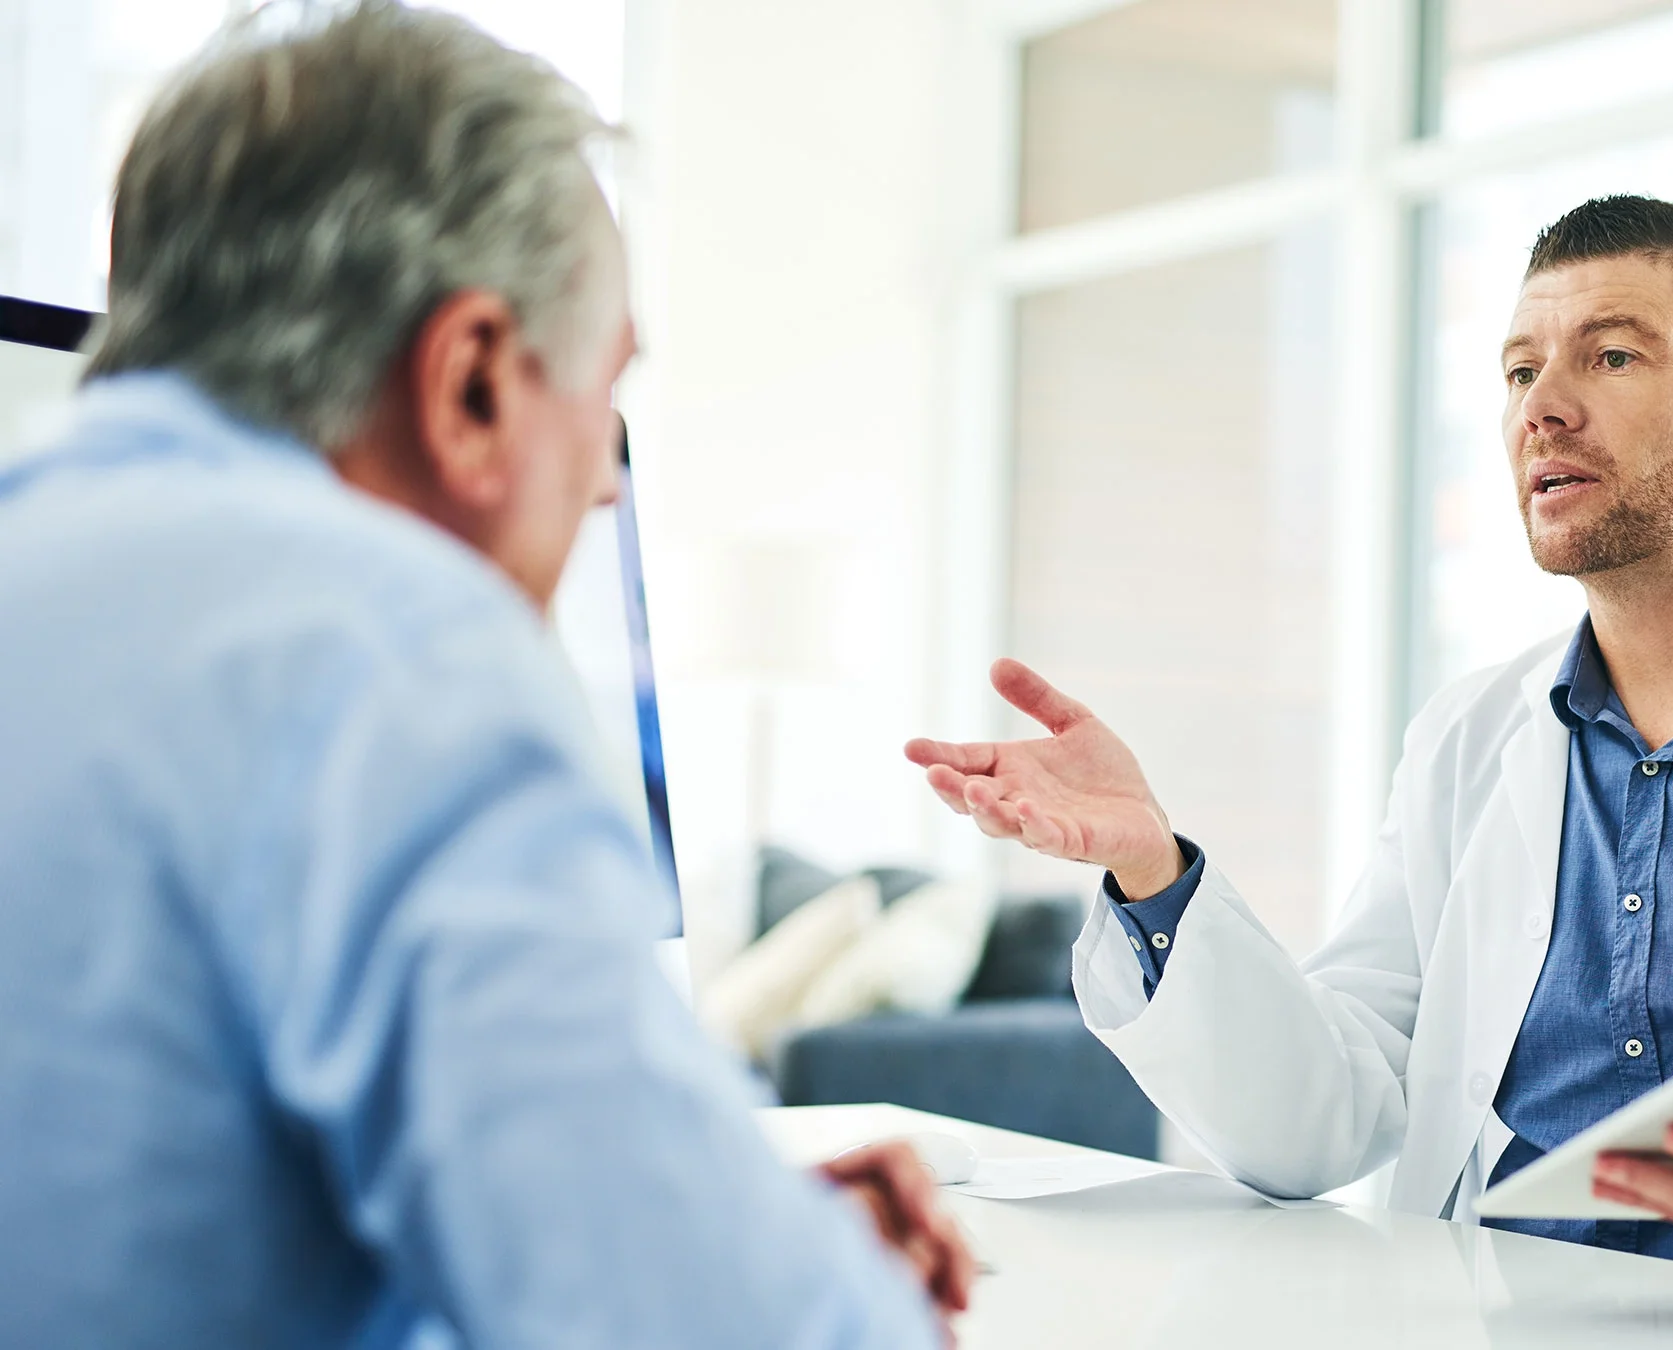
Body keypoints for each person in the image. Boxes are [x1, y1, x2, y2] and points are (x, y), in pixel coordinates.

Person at [907, 195, 1673, 1318]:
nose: (1543, 407)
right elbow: (1323, 1119)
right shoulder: (1470, 741)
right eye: (1521, 370)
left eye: (1611, 356)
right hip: (1477, 1320)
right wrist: (1153, 870)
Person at [0, 4, 967, 1347]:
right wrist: (801, 1273)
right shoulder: (398, 657)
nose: (604, 483)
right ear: (469, 385)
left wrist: (697, 1198)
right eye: (603, 396)